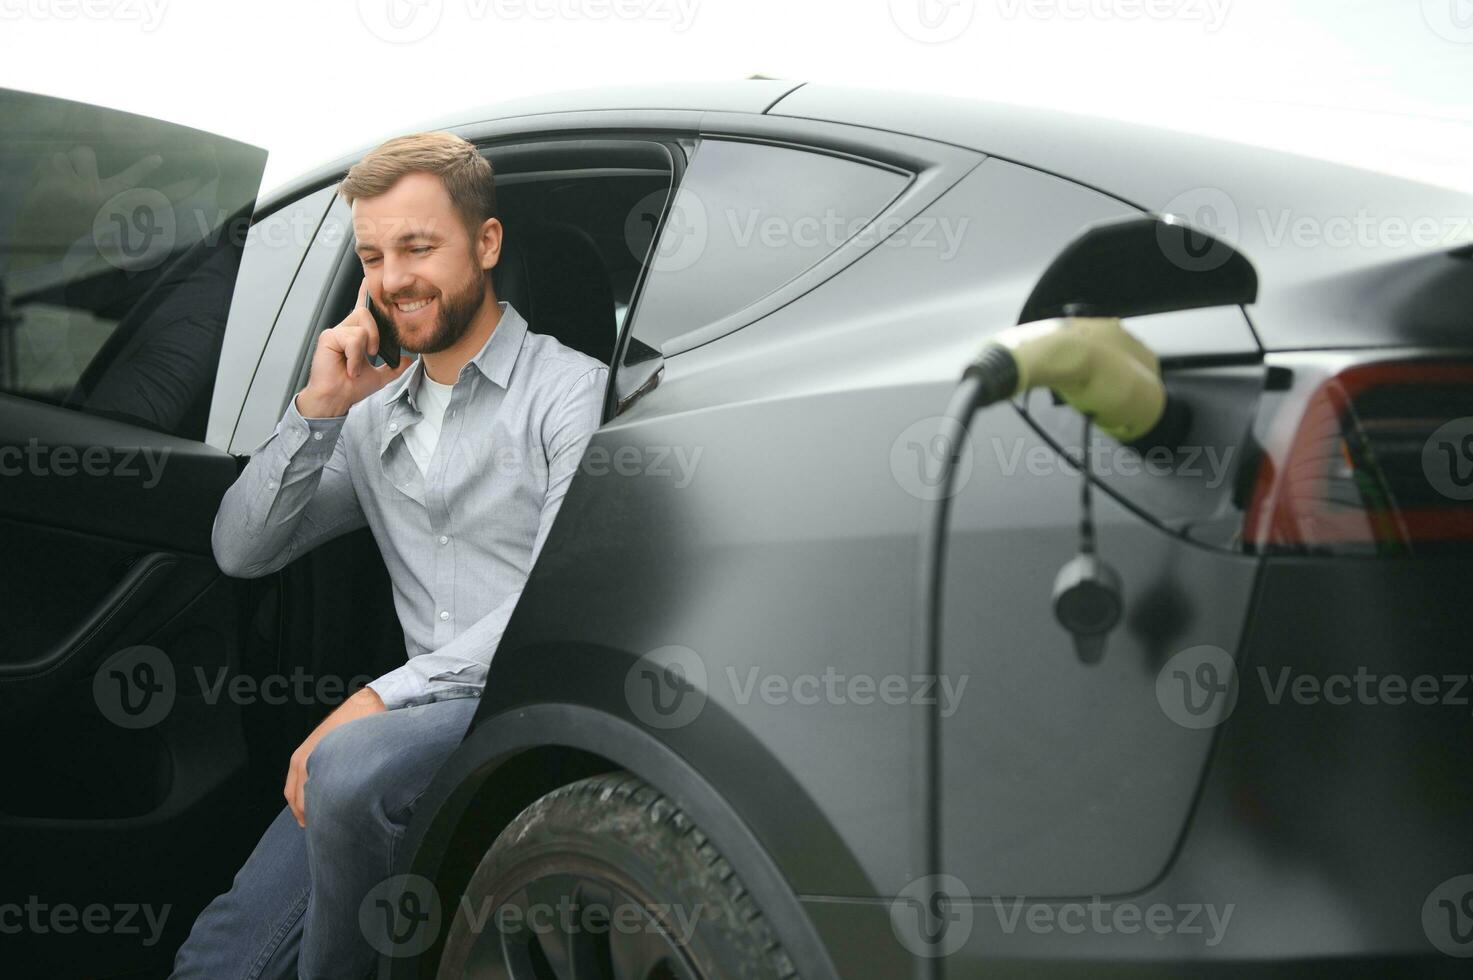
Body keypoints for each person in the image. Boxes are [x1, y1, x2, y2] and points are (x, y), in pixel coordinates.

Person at [170, 131, 608, 979]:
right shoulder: (372, 416)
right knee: (215, 961)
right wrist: (318, 409)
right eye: (372, 255)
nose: (393, 277)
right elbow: (239, 550)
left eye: (417, 246)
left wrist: (377, 698)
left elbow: (556, 600)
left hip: (521, 701)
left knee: (349, 762)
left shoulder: (570, 391)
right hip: (400, 733)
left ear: (485, 244)